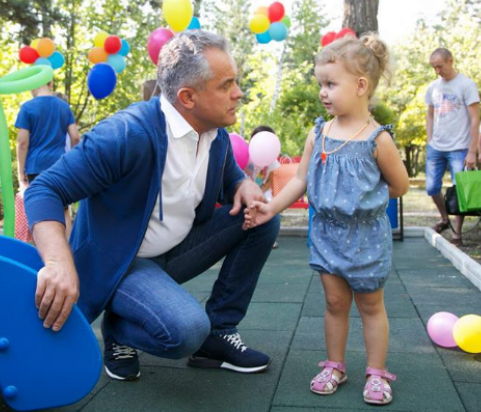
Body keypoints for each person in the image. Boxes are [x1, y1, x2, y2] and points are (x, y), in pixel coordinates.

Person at [23, 30, 280, 382]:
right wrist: (57, 262)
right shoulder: (126, 134)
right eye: (226, 85)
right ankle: (118, 329)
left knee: (262, 218)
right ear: (187, 97)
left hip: (177, 250)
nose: (238, 93)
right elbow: (45, 189)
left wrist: (244, 184)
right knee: (186, 330)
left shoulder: (214, 132)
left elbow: (231, 174)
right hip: (122, 263)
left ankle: (218, 334)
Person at [244, 35, 409, 405]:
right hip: (327, 235)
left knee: (370, 305)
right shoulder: (318, 133)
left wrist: (363, 199)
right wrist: (271, 207)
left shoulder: (377, 140)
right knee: (335, 303)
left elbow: (399, 186)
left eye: (331, 84)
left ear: (361, 86)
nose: (323, 91)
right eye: (321, 83)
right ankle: (335, 365)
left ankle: (377, 372)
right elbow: (300, 179)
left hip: (366, 238)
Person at [425, 48, 481, 246]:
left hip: (459, 146)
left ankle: (457, 233)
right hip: (436, 147)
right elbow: (430, 114)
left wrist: (472, 150)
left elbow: (475, 119)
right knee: (431, 187)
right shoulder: (433, 87)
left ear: (450, 61)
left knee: (460, 190)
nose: (437, 71)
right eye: (434, 67)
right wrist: (430, 138)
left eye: (440, 66)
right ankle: (444, 218)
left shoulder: (466, 85)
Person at [15, 81, 79, 237]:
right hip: (60, 165)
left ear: (33, 84)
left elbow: (22, 142)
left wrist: (20, 172)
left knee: (38, 211)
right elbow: (76, 136)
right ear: (50, 83)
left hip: (36, 166)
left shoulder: (27, 108)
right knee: (63, 209)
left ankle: (44, 254)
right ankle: (69, 250)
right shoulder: (64, 107)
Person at [245, 125, 281, 248]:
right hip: (247, 187)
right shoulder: (247, 156)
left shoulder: (272, 161)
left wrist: (260, 192)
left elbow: (270, 182)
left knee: (269, 203)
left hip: (263, 189)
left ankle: (270, 237)